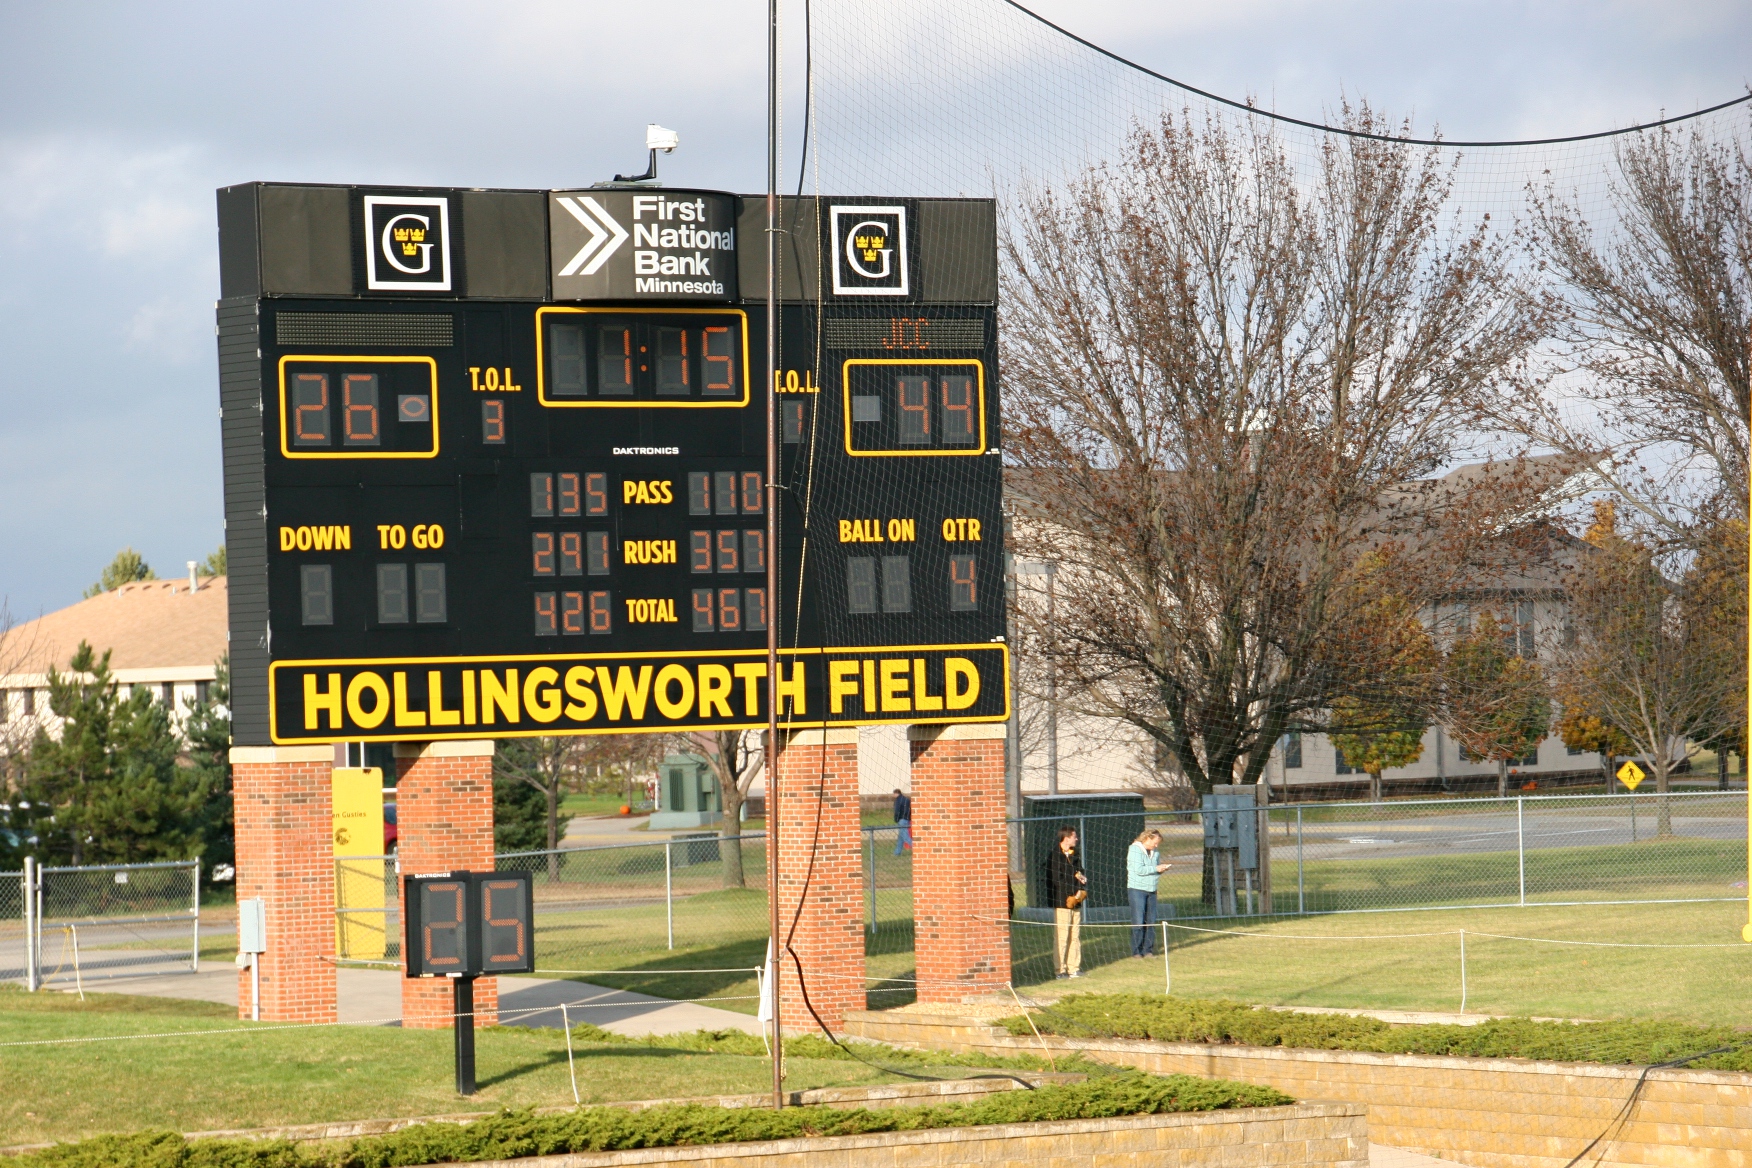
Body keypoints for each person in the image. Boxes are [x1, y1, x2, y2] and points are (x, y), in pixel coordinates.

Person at [1045, 825, 1087, 978]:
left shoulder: (1075, 854)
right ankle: (1060, 970)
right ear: (1067, 838)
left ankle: (1074, 968)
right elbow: (1057, 880)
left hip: (1076, 900)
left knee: (1075, 935)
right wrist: (1071, 892)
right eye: (1074, 836)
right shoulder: (1055, 856)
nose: (1077, 839)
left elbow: (1080, 872)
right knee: (1062, 936)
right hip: (1062, 901)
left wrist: (1081, 882)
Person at [1127, 829, 1171, 958]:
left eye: (1158, 844)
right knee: (1138, 921)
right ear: (1147, 838)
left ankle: (1148, 951)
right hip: (1137, 890)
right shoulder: (1134, 850)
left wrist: (1161, 870)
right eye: (1155, 843)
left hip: (1152, 890)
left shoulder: (1155, 852)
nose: (1156, 846)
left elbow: (1153, 870)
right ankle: (1137, 951)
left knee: (1151, 921)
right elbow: (1138, 870)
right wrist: (1155, 868)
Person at [891, 788, 912, 855]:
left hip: (901, 820)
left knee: (905, 836)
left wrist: (896, 819)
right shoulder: (907, 799)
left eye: (894, 794)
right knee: (901, 837)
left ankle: (917, 848)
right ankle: (897, 852)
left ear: (896, 793)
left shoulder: (898, 801)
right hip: (907, 819)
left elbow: (897, 811)